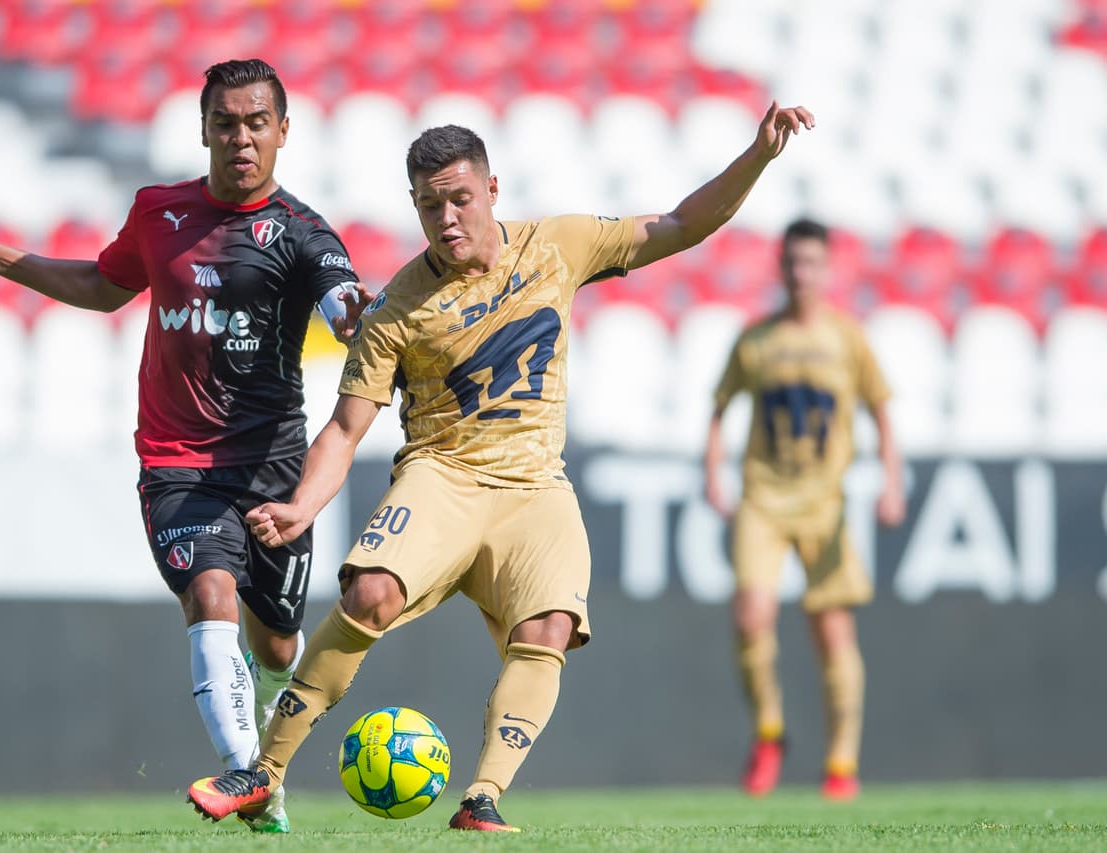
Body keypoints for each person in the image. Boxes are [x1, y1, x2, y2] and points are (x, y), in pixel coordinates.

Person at [184, 102, 814, 832]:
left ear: (491, 189)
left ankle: (482, 797)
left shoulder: (559, 246)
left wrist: (758, 157)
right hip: (442, 476)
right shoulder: (395, 311)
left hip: (535, 486)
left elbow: (678, 225)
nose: (446, 218)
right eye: (429, 205)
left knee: (548, 626)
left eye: (458, 198)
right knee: (371, 594)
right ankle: (261, 774)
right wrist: (301, 507)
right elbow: (346, 427)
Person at [0, 59, 371, 834]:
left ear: (283, 132)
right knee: (210, 594)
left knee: (277, 643)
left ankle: (262, 725)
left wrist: (351, 310)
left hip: (274, 471)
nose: (240, 137)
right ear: (202, 129)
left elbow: (341, 295)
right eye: (225, 123)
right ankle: (251, 775)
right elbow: (103, 285)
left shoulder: (301, 232)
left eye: (256, 123)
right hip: (178, 462)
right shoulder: (158, 212)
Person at [703, 217, 906, 801]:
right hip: (764, 498)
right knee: (750, 617)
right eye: (792, 263)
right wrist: (713, 474)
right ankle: (770, 733)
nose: (801, 274)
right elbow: (719, 408)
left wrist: (892, 484)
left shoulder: (847, 337)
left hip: (825, 503)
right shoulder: (756, 339)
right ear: (781, 266)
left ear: (827, 268)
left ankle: (842, 765)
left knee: (832, 632)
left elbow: (881, 410)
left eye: (811, 263)